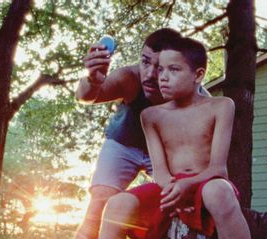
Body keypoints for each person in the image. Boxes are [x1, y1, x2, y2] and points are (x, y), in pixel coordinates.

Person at [98, 37, 251, 239]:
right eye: (161, 69)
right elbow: (159, 172)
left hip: (207, 183)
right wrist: (173, 192)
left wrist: (187, 185)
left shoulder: (221, 106)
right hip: (169, 187)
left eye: (174, 70)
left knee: (218, 192)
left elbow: (218, 169)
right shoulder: (151, 116)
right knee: (117, 204)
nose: (162, 77)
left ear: (198, 75)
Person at [75, 28, 185, 239]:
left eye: (161, 68)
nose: (151, 74)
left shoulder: (189, 90)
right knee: (98, 206)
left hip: (163, 150)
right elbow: (86, 96)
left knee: (174, 205)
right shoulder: (129, 78)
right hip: (122, 144)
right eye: (145, 62)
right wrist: (93, 79)